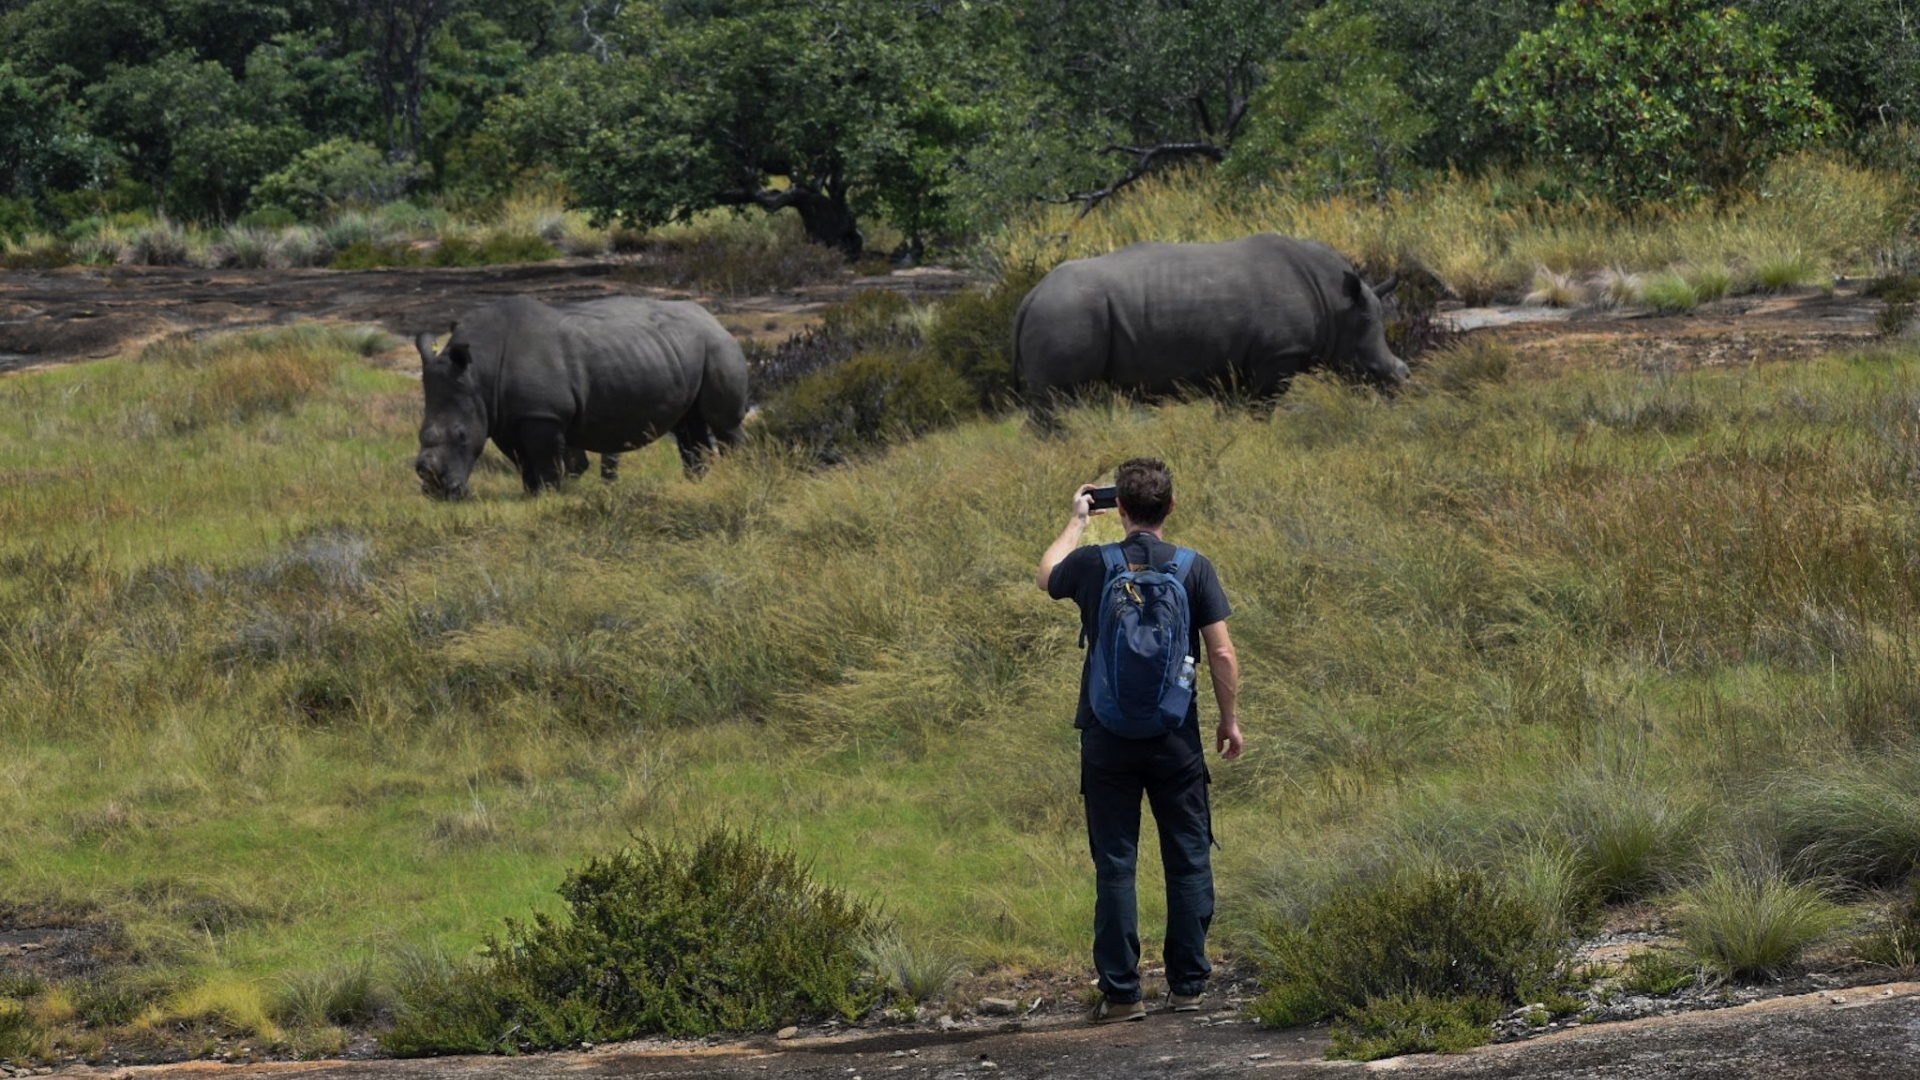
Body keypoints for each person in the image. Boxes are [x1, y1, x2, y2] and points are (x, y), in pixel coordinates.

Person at [1035, 457, 1243, 1024]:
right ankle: (1188, 987)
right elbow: (1221, 652)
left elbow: (1045, 573)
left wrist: (1078, 521)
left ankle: (1124, 994)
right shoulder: (1194, 568)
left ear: (1118, 509)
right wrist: (1228, 721)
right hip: (1176, 735)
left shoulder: (1092, 564)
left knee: (1117, 863)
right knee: (1187, 855)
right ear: (1170, 507)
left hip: (1106, 736)